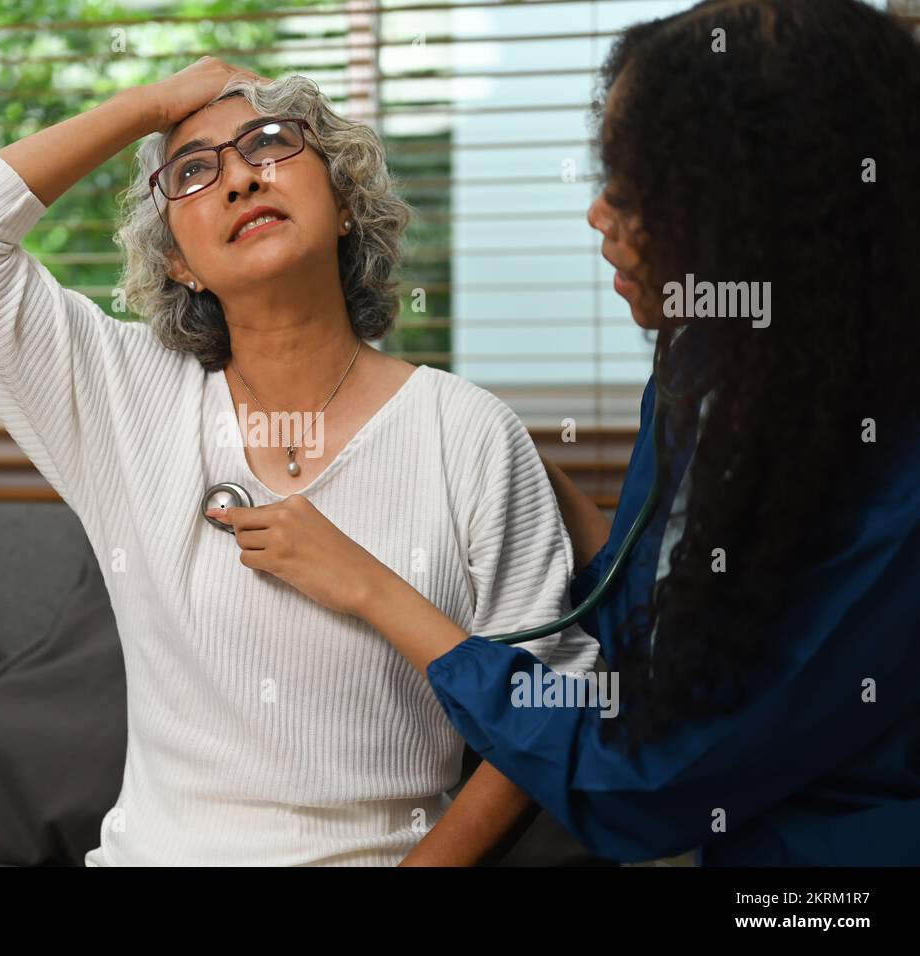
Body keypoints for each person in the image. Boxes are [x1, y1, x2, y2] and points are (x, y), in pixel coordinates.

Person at [211, 0, 920, 865]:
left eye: (636, 185)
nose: (598, 212)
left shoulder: (893, 488)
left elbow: (647, 779)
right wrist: (507, 461)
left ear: (763, 216)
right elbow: (655, 613)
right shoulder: (710, 356)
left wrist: (371, 588)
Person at [0, 59, 598, 865]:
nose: (237, 179)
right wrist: (154, 103)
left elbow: (556, 692)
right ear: (178, 265)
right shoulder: (127, 399)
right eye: (194, 170)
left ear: (344, 206)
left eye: (268, 144)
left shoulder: (466, 430)